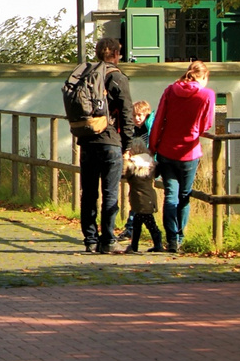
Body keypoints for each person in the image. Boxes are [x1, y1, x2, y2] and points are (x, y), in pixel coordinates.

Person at [148, 59, 217, 252]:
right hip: (189, 152)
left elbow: (159, 118)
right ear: (203, 76)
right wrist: (194, 130)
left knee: (171, 195)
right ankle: (180, 237)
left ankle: (170, 238)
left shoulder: (170, 90)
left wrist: (153, 147)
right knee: (184, 195)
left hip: (166, 150)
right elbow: (207, 124)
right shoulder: (207, 95)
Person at [75, 36, 134, 253]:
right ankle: (108, 240)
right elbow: (127, 112)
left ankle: (90, 240)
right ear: (116, 54)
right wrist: (127, 144)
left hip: (88, 140)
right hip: (110, 141)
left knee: (88, 192)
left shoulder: (85, 73)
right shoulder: (117, 77)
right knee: (110, 192)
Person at [115, 100, 156, 247]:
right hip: (136, 167)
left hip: (145, 168)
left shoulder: (148, 129)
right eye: (134, 115)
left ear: (146, 115)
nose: (137, 118)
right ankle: (132, 230)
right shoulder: (133, 130)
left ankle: (136, 230)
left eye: (140, 115)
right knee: (136, 200)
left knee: (140, 200)